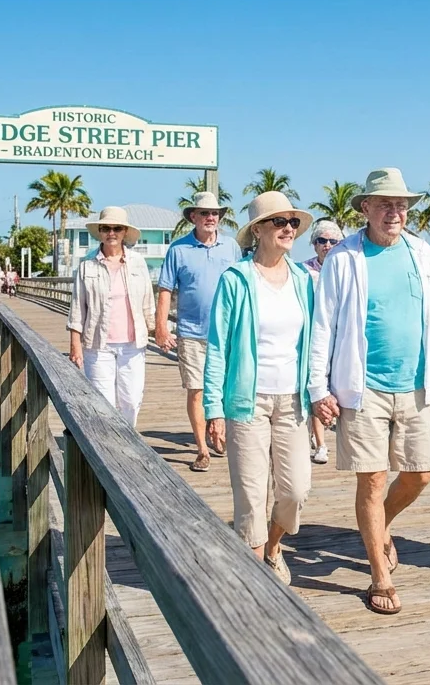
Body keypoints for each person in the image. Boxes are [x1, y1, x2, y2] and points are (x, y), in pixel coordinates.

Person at [309, 167, 430, 615]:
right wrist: (318, 388)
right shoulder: (344, 258)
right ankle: (379, 576)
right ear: (365, 208)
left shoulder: (421, 254)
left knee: (421, 473)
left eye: (400, 205)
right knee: (373, 477)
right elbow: (322, 327)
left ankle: (382, 526)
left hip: (418, 386)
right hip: (362, 389)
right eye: (384, 204)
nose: (394, 212)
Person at [203, 192, 316, 585]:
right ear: (258, 230)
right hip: (246, 401)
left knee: (296, 490)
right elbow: (218, 346)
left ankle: (273, 544)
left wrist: (319, 396)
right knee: (251, 496)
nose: (289, 228)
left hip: (293, 400)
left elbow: (316, 342)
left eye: (293, 223)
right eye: (279, 222)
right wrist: (212, 409)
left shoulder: (304, 280)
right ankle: (255, 582)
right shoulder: (237, 279)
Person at [157, 191, 242, 472]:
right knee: (196, 390)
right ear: (193, 216)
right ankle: (202, 449)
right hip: (191, 331)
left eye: (215, 213)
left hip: (227, 331)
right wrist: (161, 327)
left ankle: (220, 432)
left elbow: (243, 287)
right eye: (204, 213)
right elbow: (166, 290)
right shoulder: (178, 250)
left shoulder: (231, 247)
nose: (210, 218)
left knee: (227, 389)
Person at [67, 206, 156, 426]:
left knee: (132, 400)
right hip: (98, 344)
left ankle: (127, 440)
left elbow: (147, 302)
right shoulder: (87, 264)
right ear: (100, 232)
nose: (111, 233)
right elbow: (78, 307)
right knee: (102, 401)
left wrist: (157, 331)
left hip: (132, 343)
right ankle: (107, 448)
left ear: (125, 232)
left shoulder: (138, 263)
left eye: (117, 228)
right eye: (106, 228)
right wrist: (75, 345)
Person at [302, 219, 344, 465]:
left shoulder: (346, 267)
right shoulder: (303, 271)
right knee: (317, 387)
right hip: (313, 337)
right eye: (321, 240)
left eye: (332, 241)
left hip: (340, 340)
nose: (327, 245)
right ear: (314, 244)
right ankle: (321, 444)